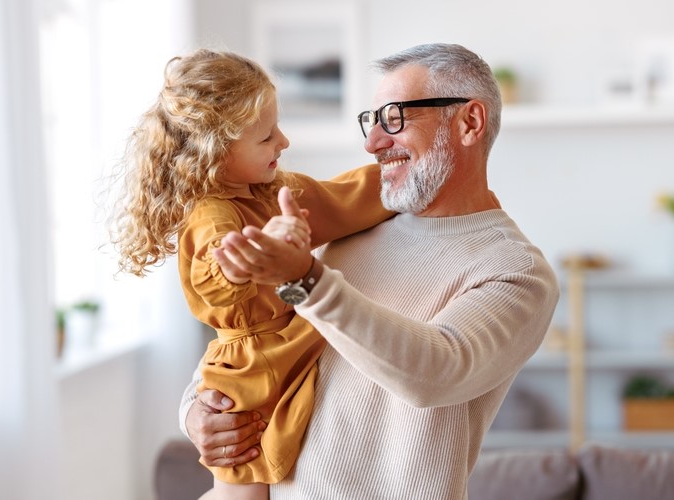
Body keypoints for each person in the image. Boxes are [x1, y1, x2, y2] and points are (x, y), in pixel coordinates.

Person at [179, 42, 560, 499]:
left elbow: (435, 372)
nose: (373, 142)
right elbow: (262, 341)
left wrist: (304, 279)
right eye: (372, 120)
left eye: (395, 118)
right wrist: (197, 412)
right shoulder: (353, 232)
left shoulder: (514, 270)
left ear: (468, 122)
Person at [110, 49, 393, 499]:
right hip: (249, 372)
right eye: (266, 137)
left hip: (285, 346)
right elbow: (220, 271)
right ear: (215, 151)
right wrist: (263, 250)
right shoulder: (212, 214)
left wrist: (403, 176)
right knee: (242, 491)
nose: (283, 141)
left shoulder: (276, 191)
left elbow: (343, 198)